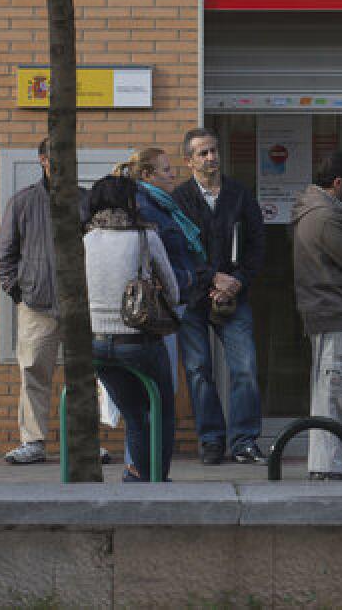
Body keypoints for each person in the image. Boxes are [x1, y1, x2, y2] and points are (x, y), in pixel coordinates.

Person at [173, 128, 268, 465]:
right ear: (189, 161)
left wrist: (237, 281)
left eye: (214, 151)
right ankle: (211, 440)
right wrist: (212, 277)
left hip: (235, 297)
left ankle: (244, 441)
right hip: (193, 299)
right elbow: (177, 251)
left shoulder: (239, 195)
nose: (211, 158)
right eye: (203, 153)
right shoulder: (179, 199)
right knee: (199, 370)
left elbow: (257, 245)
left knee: (245, 368)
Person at [0, 138, 88, 465]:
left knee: (84, 376)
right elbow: (4, 253)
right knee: (34, 372)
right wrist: (18, 291)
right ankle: (33, 442)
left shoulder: (87, 201)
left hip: (82, 306)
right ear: (43, 160)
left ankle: (84, 444)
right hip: (36, 304)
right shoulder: (22, 202)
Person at [115, 148, 208, 467]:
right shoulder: (147, 208)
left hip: (169, 303)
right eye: (166, 170)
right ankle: (142, 467)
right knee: (154, 394)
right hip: (158, 308)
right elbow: (159, 261)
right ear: (147, 176)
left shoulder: (162, 205)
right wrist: (187, 277)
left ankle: (141, 466)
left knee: (153, 392)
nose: (173, 174)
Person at [83, 175, 178, 482]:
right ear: (128, 202)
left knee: (134, 414)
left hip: (95, 343)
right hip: (138, 340)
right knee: (161, 409)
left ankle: (139, 475)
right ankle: (155, 479)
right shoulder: (144, 238)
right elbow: (174, 294)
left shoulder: (84, 240)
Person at [291, 150, 342, 480]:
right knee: (333, 390)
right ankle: (328, 465)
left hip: (326, 308)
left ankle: (332, 461)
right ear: (338, 182)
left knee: (330, 387)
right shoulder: (326, 216)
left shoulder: (317, 209)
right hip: (334, 308)